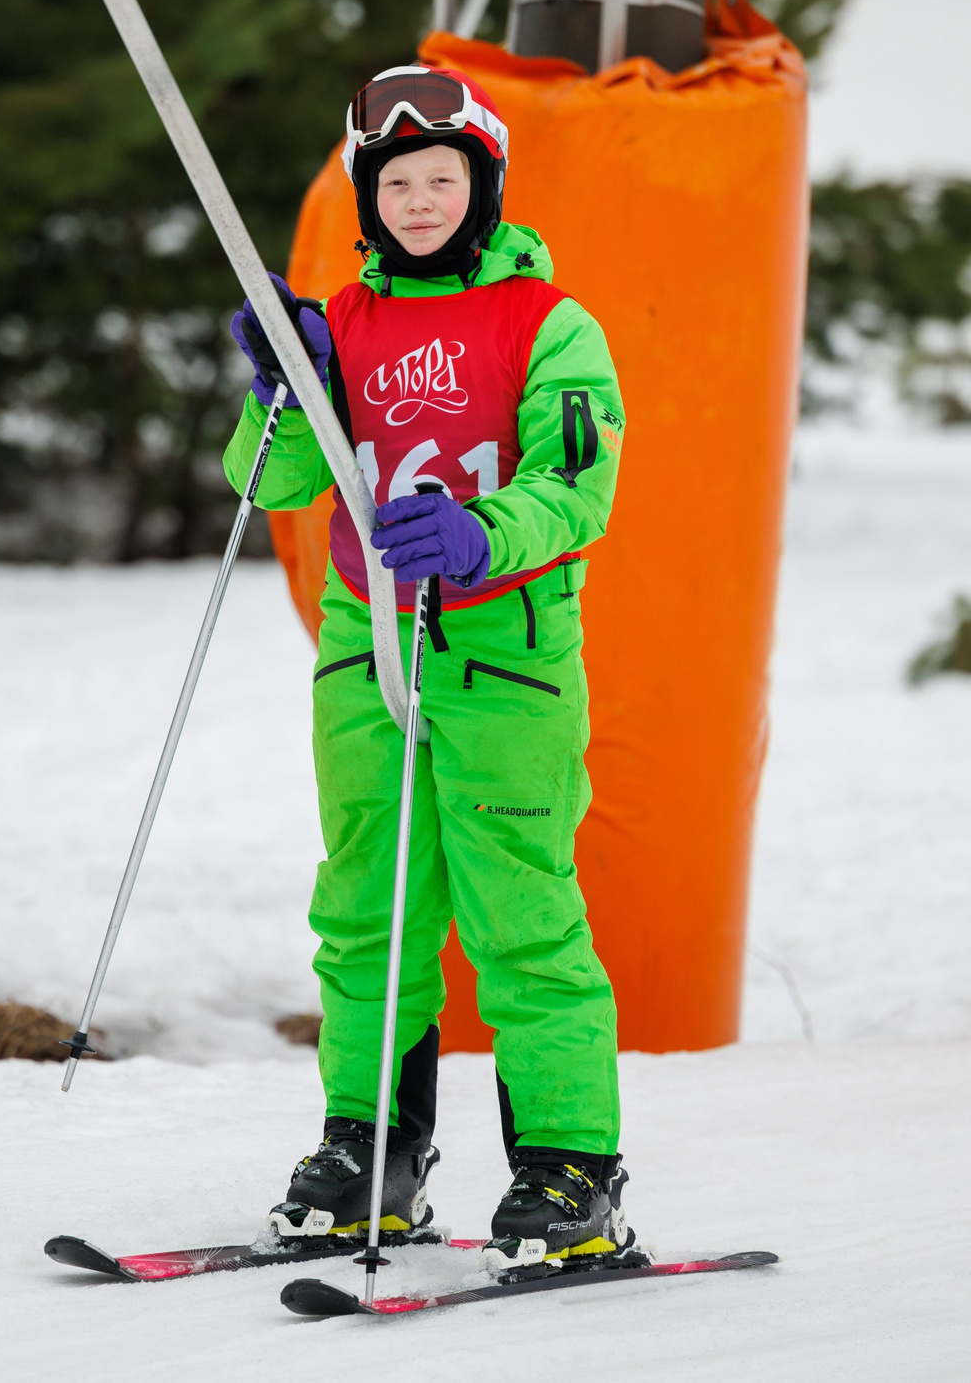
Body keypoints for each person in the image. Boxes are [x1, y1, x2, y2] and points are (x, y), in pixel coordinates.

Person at [223, 65, 631, 1269]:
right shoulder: (342, 324)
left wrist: (479, 534)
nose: (418, 199)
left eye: (441, 177)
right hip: (366, 648)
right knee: (365, 909)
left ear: (483, 185)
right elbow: (269, 482)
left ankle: (569, 1168)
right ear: (368, 193)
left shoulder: (549, 322)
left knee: (519, 910)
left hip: (504, 659)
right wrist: (281, 391)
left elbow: (579, 488)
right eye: (395, 180)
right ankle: (370, 1155)